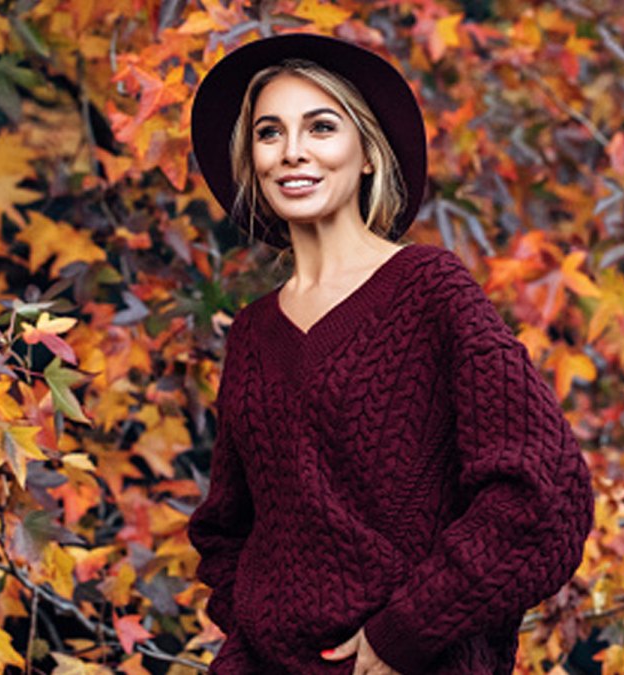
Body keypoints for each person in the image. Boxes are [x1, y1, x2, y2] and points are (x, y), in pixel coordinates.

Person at [187, 33, 595, 675]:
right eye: (270, 133)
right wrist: (251, 622)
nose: (293, 151)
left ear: (369, 155)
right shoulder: (252, 334)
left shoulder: (430, 291)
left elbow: (544, 494)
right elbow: (225, 528)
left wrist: (406, 632)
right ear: (252, 162)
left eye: (321, 127)